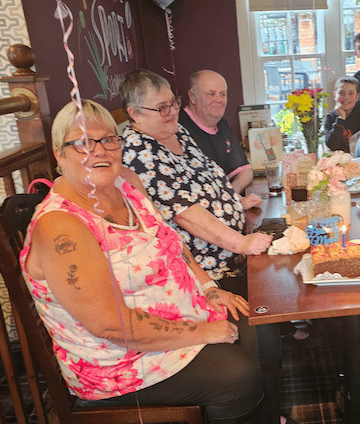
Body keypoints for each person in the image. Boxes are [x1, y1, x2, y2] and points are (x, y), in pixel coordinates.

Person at [20, 99, 264, 424]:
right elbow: (110, 324)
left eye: (109, 139)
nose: (100, 151)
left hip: (178, 315)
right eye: (82, 143)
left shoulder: (126, 182)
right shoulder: (61, 226)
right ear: (59, 154)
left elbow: (169, 242)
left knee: (260, 327)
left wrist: (208, 287)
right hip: (118, 362)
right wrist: (200, 331)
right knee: (237, 376)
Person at [119, 70, 290, 424]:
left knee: (278, 294)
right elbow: (186, 215)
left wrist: (235, 204)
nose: (172, 113)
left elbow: (210, 180)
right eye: (161, 108)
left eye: (173, 104)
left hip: (228, 260)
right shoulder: (138, 151)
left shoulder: (177, 131)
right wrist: (241, 241)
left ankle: (273, 412)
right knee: (263, 333)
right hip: (204, 271)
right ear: (134, 114)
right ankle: (267, 414)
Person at [179, 70, 253, 194]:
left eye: (222, 94)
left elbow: (245, 171)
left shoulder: (223, 125)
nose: (218, 100)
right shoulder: (178, 128)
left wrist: (231, 193)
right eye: (211, 94)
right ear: (192, 97)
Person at [323, 76, 360, 153]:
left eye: (351, 93)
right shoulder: (330, 117)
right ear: (335, 95)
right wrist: (341, 118)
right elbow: (332, 145)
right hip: (337, 160)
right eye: (341, 93)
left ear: (357, 97)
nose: (346, 97)